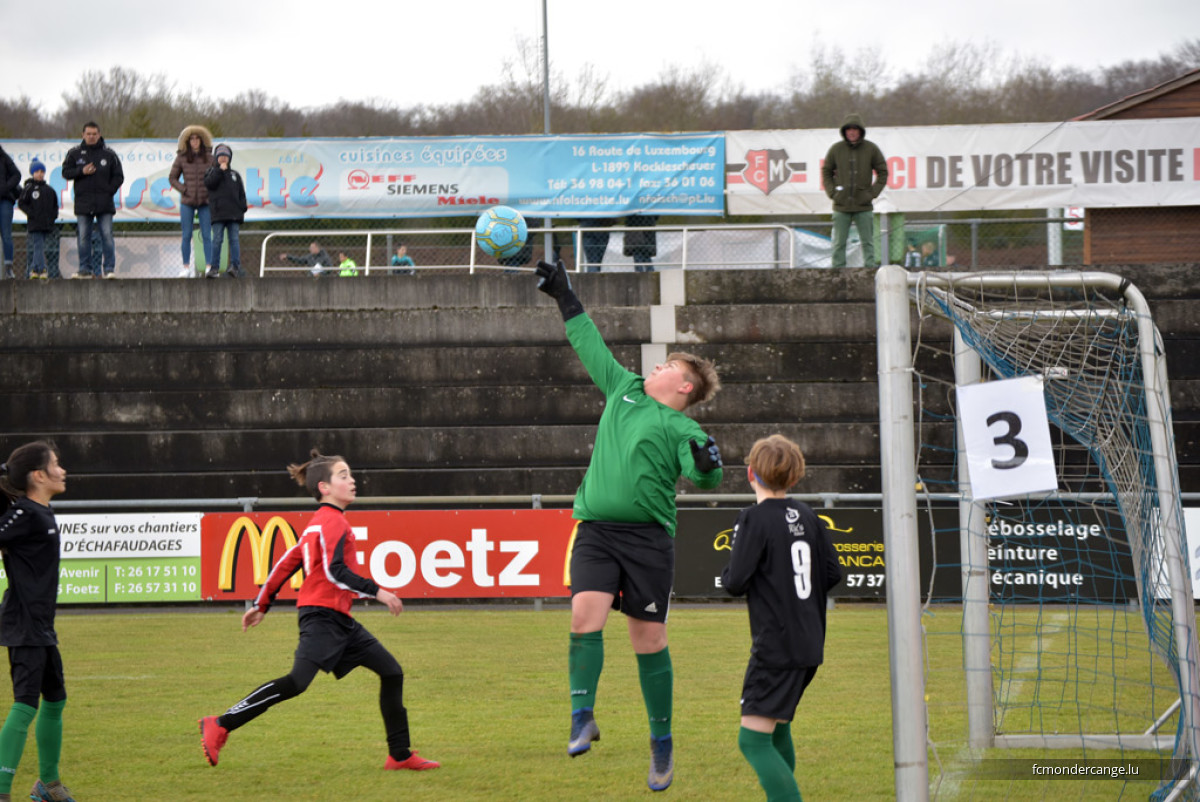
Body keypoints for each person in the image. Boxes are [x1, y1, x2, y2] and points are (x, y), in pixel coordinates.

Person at [533, 258, 723, 792]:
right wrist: (565, 297)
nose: (654, 368)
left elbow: (703, 477)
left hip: (647, 542)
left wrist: (708, 466)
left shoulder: (682, 426)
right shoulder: (624, 389)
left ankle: (660, 744)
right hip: (595, 529)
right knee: (582, 616)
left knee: (648, 639)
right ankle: (581, 716)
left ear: (683, 387)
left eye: (666, 367)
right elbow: (588, 342)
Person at [198, 449, 439, 772]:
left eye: (350, 475)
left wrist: (262, 604)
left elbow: (287, 563)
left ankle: (399, 755)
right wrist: (379, 591)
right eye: (344, 476)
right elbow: (335, 571)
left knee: (392, 672)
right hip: (322, 617)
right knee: (296, 682)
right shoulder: (331, 524)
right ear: (325, 487)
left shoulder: (319, 525)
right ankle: (221, 723)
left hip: (338, 619)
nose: (352, 481)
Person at [721, 434, 841, 802]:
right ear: (795, 477)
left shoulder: (753, 519)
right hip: (809, 642)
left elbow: (736, 582)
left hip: (776, 645)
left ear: (749, 473)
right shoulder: (809, 516)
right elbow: (833, 573)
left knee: (752, 740)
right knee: (777, 728)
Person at [0, 441, 78, 802]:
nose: (63, 470)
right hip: (25, 626)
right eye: (57, 464)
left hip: (42, 628)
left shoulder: (37, 511)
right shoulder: (25, 514)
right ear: (39, 475)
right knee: (26, 704)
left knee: (56, 699)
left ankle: (48, 785)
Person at [821, 114, 887, 269]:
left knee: (868, 242)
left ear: (860, 131)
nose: (851, 132)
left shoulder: (871, 149)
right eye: (849, 129)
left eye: (855, 129)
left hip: (863, 206)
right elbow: (826, 171)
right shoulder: (836, 149)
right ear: (844, 131)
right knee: (838, 243)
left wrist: (871, 193)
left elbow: (883, 172)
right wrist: (833, 193)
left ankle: (870, 270)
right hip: (841, 206)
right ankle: (837, 271)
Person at [61, 122, 123, 279]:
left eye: (94, 134)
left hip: (105, 203)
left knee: (107, 235)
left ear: (99, 134)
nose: (91, 136)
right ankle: (85, 269)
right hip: (83, 203)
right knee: (83, 237)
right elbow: (66, 172)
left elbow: (118, 176)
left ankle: (109, 269)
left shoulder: (109, 154)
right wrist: (81, 171)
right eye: (88, 134)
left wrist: (109, 191)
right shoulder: (74, 153)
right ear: (83, 135)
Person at [169, 125, 215, 278]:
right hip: (187, 202)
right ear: (188, 141)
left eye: (197, 139)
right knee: (186, 234)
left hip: (205, 202)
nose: (195, 142)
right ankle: (186, 267)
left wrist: (210, 190)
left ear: (202, 141)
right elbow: (172, 178)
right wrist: (184, 189)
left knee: (207, 235)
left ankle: (209, 267)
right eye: (192, 139)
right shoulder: (181, 157)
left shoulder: (210, 158)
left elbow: (217, 177)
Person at [203, 144, 247, 279]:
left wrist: (242, 208)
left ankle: (235, 266)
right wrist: (219, 171)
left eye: (225, 156)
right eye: (220, 156)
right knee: (217, 240)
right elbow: (210, 184)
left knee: (234, 239)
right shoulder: (211, 172)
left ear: (229, 158)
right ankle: (214, 268)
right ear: (216, 158)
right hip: (218, 214)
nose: (223, 158)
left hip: (234, 214)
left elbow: (241, 194)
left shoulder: (235, 175)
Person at [17, 160, 58, 280]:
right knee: (38, 245)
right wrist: (32, 214)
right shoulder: (29, 188)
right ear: (32, 173)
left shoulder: (49, 190)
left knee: (40, 246)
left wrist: (52, 218)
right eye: (37, 172)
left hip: (46, 224)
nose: (40, 174)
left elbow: (55, 206)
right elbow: (21, 203)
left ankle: (36, 268)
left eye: (42, 172)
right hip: (35, 224)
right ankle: (40, 268)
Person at [0, 145, 19, 279]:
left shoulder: (3, 158)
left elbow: (17, 175)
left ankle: (8, 268)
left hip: (5, 201)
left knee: (6, 234)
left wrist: (5, 188)